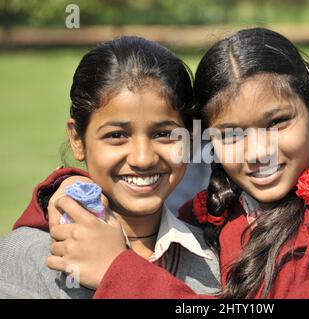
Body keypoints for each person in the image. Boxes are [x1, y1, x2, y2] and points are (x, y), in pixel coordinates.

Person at [11, 28, 309, 298]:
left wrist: (118, 273)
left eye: (278, 122)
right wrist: (70, 191)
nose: (257, 152)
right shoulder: (216, 215)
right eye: (230, 134)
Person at [0, 36, 221, 298]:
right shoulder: (28, 258)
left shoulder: (218, 262)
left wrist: (118, 272)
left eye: (163, 134)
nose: (142, 159)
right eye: (116, 135)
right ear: (77, 140)